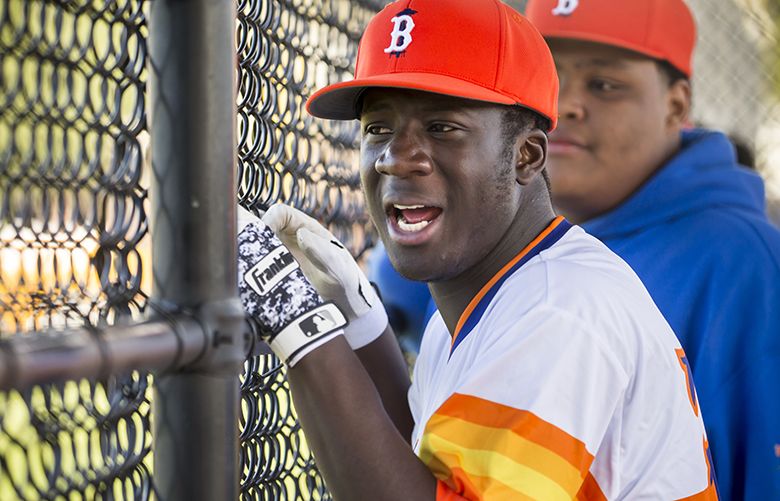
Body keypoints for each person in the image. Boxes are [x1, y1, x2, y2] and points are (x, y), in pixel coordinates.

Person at [237, 0, 718, 498]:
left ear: (526, 156)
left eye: (443, 128)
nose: (395, 159)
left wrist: (298, 326)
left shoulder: (559, 311)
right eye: (378, 128)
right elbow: (426, 473)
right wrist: (360, 323)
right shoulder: (489, 293)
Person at [523, 1, 780, 499]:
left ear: (676, 105)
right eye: (547, 78)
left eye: (604, 85)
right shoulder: (512, 235)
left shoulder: (745, 265)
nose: (565, 105)